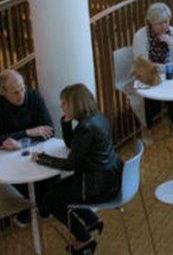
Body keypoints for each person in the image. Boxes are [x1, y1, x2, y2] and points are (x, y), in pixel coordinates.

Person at [36, 84, 122, 254]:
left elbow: (70, 164)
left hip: (97, 186)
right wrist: (66, 122)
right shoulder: (98, 117)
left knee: (50, 199)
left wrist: (41, 158)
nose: (61, 106)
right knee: (53, 189)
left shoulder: (85, 128)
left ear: (75, 104)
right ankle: (91, 219)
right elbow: (72, 145)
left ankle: (84, 238)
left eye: (64, 103)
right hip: (109, 178)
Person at [0, 69, 55, 225]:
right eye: (15, 92)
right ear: (3, 92)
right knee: (15, 176)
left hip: (34, 149)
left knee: (50, 171)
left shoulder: (34, 96)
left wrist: (21, 140)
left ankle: (38, 207)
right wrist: (28, 132)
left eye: (23, 88)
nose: (22, 95)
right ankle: (28, 207)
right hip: (8, 157)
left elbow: (49, 130)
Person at [128, 3, 173, 143]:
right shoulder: (141, 36)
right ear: (151, 23)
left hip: (167, 73)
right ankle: (146, 128)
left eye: (167, 22)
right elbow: (144, 65)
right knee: (148, 97)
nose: (165, 26)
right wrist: (169, 66)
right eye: (160, 23)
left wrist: (172, 43)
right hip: (145, 75)